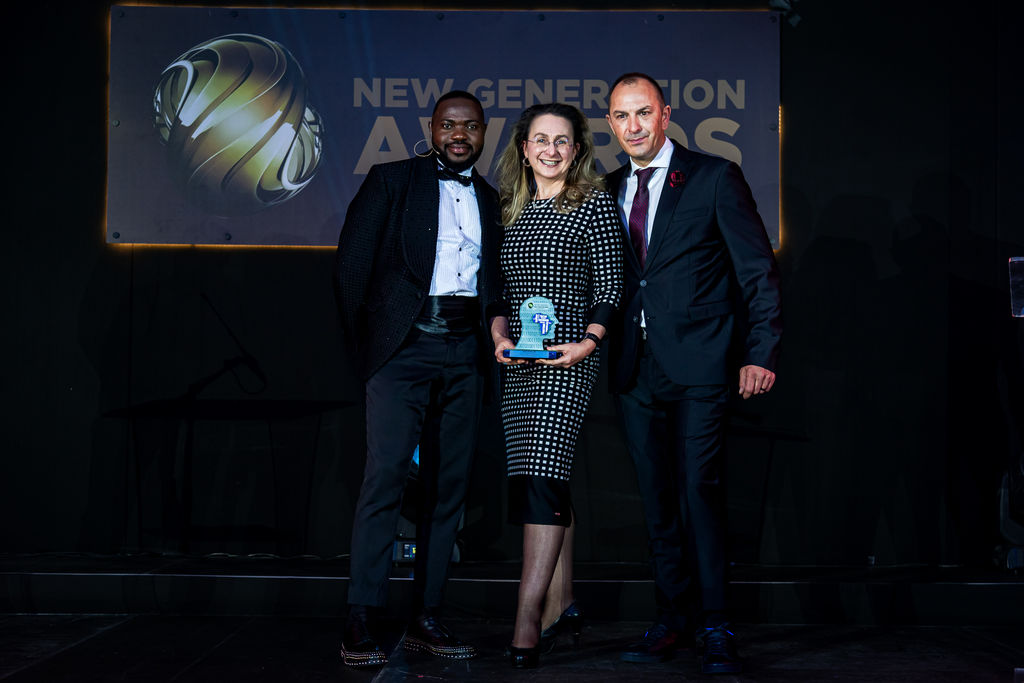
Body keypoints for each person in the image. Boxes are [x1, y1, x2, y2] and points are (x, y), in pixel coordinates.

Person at [604, 73, 782, 675]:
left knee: (698, 491)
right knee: (656, 498)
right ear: (611, 124)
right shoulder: (608, 188)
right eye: (621, 116)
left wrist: (761, 351)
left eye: (643, 113)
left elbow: (756, 269)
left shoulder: (713, 177)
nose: (633, 126)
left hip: (702, 362)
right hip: (634, 366)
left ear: (665, 115)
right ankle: (671, 617)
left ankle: (715, 623)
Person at [333, 90, 502, 668]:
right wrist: (372, 351)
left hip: (466, 352)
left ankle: (426, 616)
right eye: (449, 125)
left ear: (483, 133)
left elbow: (492, 283)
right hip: (403, 350)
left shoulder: (490, 197)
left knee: (448, 489)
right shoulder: (392, 180)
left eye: (470, 126)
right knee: (384, 480)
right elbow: (351, 270)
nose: (459, 135)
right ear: (432, 129)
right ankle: (361, 616)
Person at [490, 102, 623, 668]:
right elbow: (500, 292)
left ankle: (527, 619)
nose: (551, 150)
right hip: (519, 366)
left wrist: (588, 343)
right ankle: (562, 603)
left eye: (562, 141)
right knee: (541, 476)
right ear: (524, 149)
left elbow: (612, 286)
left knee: (542, 479)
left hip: (567, 362)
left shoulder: (592, 203)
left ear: (577, 149)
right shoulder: (511, 209)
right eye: (541, 140)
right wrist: (498, 334)